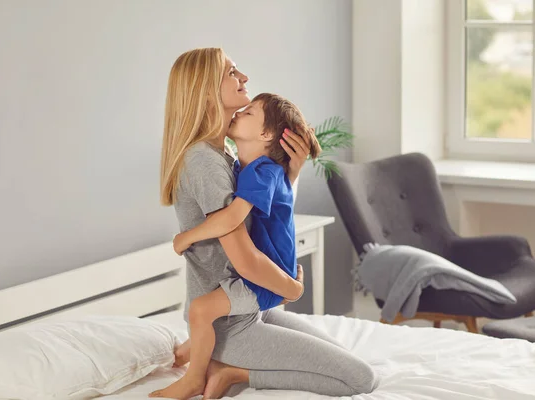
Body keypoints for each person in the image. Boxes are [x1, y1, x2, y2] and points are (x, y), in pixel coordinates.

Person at [150, 48, 376, 400]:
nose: (244, 79)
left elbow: (267, 217)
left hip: (248, 310)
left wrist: (291, 174)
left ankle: (222, 365)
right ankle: (232, 370)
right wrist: (292, 289)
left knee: (346, 358)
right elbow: (244, 259)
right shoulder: (204, 163)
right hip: (230, 324)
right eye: (232, 72)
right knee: (359, 379)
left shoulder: (226, 155)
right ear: (206, 88)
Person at [153, 93, 322, 399]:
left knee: (201, 310)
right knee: (203, 312)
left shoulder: (259, 171)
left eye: (249, 113)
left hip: (264, 280)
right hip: (267, 277)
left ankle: (199, 377)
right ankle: (191, 354)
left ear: (265, 134)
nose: (240, 113)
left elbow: (231, 218)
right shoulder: (239, 165)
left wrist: (186, 237)